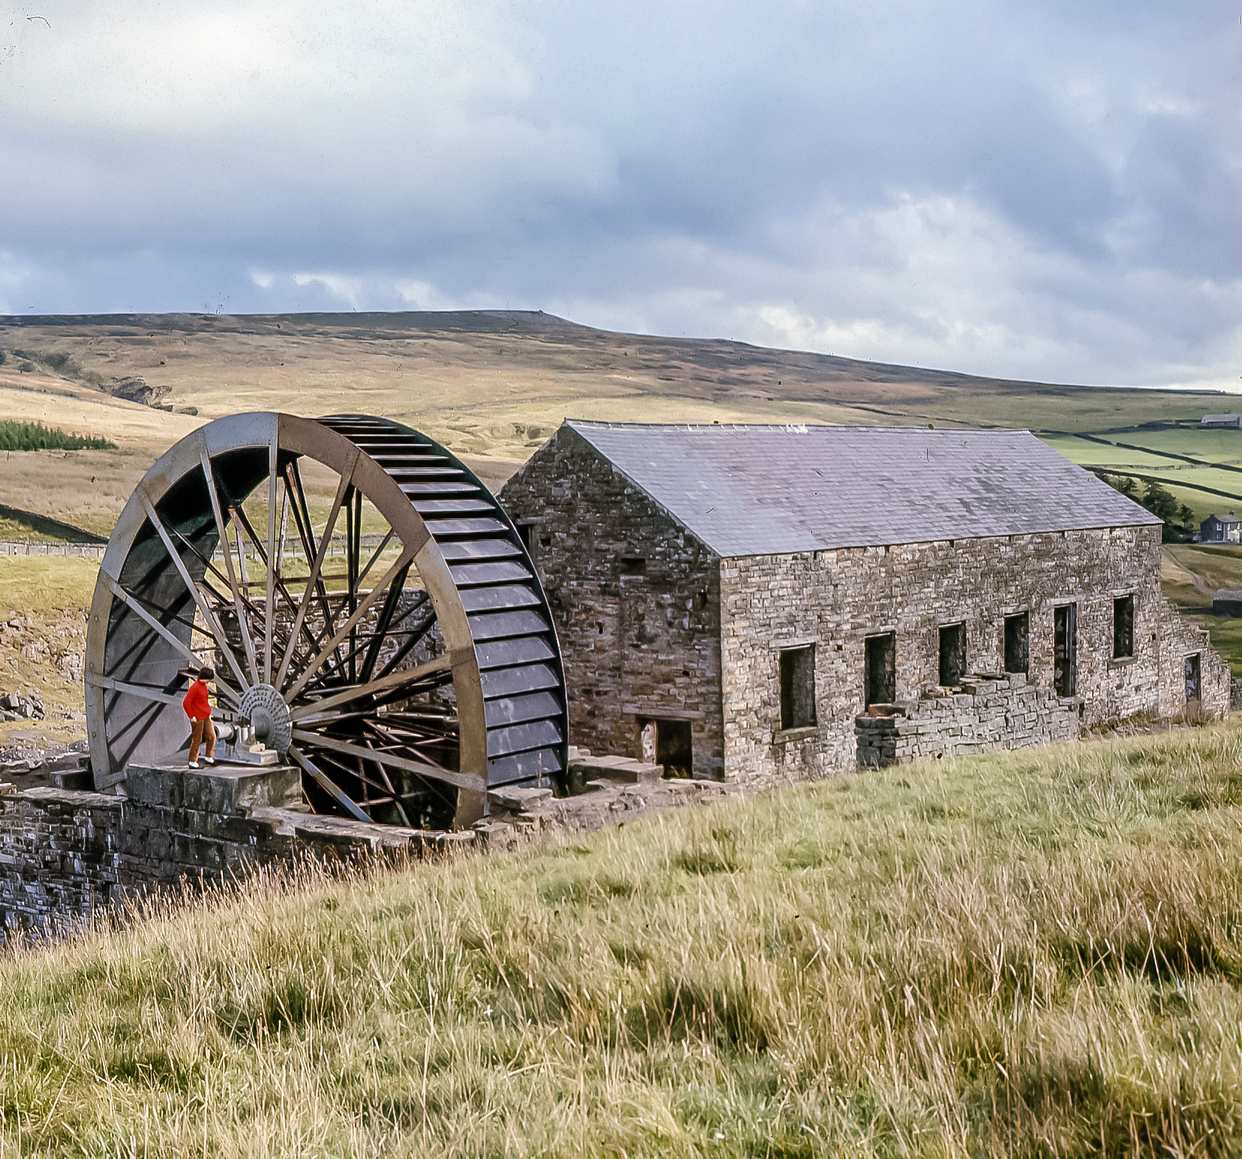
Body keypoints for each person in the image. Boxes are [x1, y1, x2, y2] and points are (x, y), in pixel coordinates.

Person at [183, 665, 217, 768]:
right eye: (209, 679)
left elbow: (204, 702)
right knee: (197, 739)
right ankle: (192, 760)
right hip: (197, 717)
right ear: (205, 677)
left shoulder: (203, 686)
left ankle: (208, 755)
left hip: (205, 715)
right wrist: (191, 715)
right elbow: (186, 702)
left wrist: (208, 713)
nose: (209, 681)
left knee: (211, 736)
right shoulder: (195, 687)